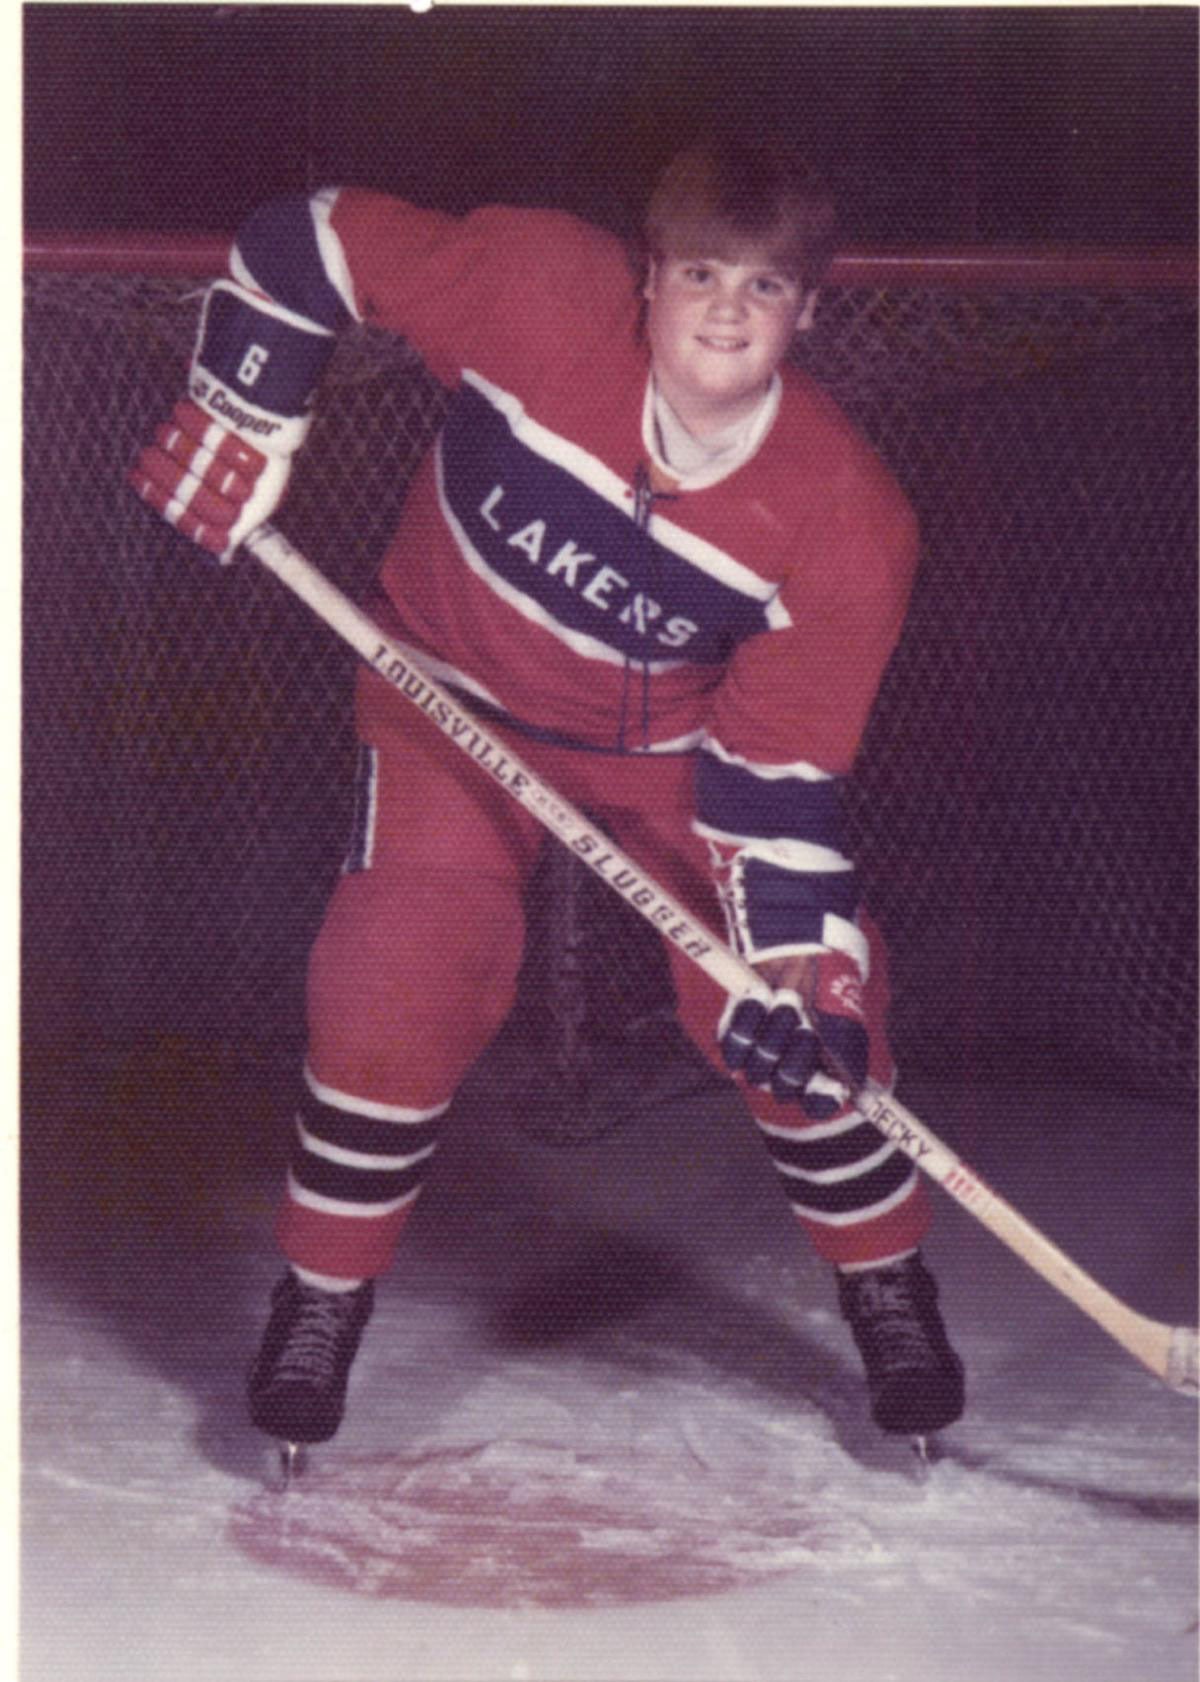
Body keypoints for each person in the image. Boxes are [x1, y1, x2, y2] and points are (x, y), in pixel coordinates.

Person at [130, 133, 965, 1451]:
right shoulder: (536, 291)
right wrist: (245, 412)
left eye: (762, 289)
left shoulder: (851, 520)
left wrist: (815, 977)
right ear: (646, 278)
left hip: (680, 765)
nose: (725, 313)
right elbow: (314, 239)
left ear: (808, 310)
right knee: (395, 971)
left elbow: (780, 781)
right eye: (701, 275)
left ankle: (888, 1286)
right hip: (448, 699)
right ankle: (322, 1296)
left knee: (797, 1035)